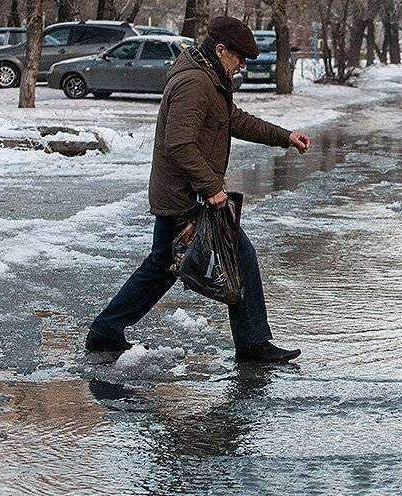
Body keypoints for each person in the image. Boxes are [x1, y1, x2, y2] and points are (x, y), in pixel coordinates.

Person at [86, 17, 312, 363]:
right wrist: (210, 188)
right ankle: (252, 343)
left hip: (183, 192)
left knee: (163, 265)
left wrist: (285, 136)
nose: (241, 66)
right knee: (237, 255)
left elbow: (234, 120)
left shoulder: (212, 78)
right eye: (238, 58)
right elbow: (179, 143)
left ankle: (105, 330)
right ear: (220, 50)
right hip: (183, 194)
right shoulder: (195, 82)